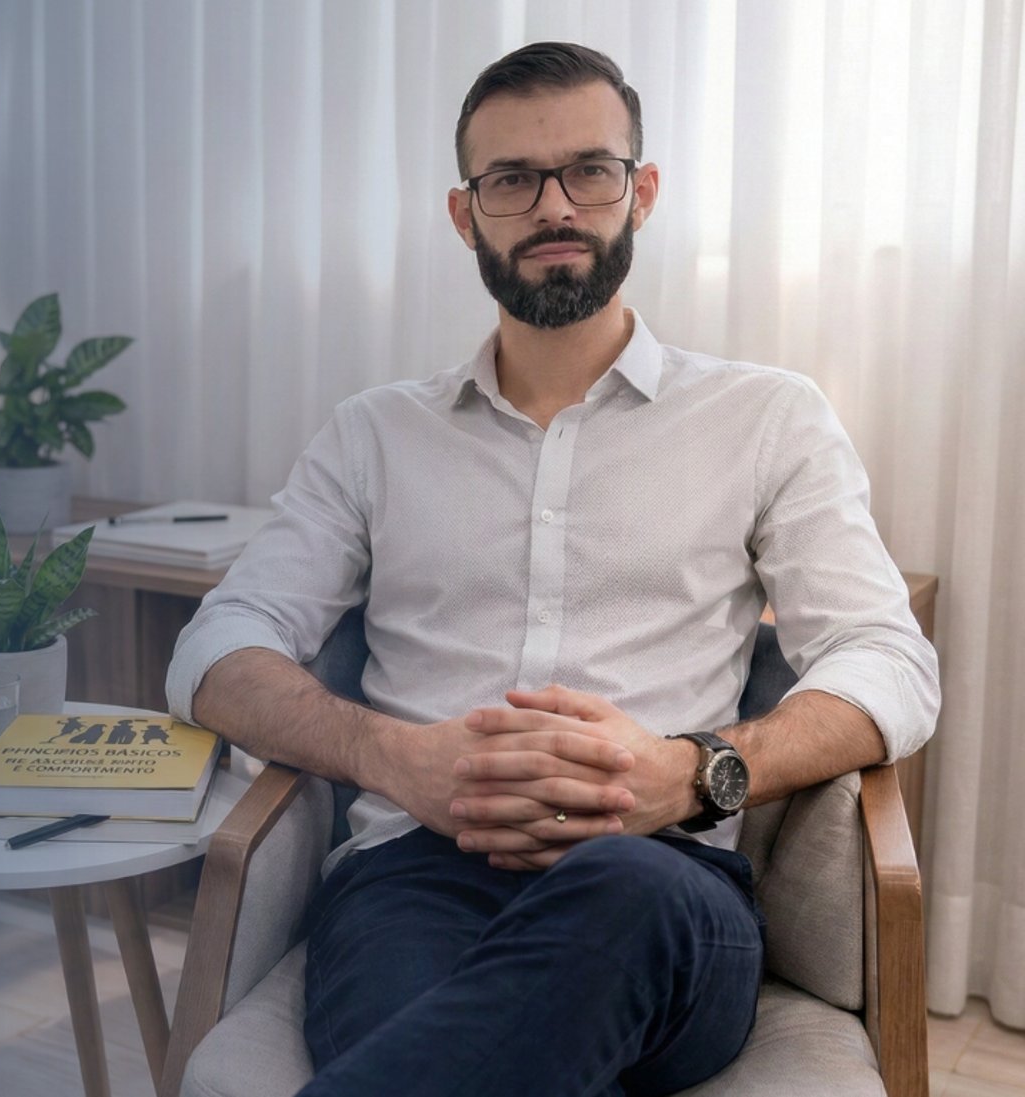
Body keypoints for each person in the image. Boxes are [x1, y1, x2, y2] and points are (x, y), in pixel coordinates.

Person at [164, 41, 940, 1097]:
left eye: (590, 170)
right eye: (512, 180)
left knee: (621, 890)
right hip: (412, 881)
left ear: (642, 190)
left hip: (663, 881)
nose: (554, 205)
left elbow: (890, 660)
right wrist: (390, 755)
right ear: (464, 212)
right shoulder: (371, 434)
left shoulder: (768, 416)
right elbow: (217, 645)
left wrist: (693, 768)